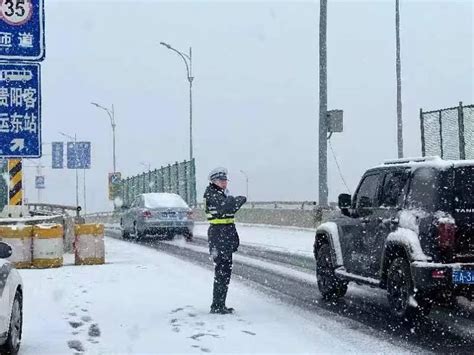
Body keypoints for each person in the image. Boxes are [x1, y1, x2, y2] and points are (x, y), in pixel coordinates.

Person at [204, 167, 247, 314]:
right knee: (222, 272)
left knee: (225, 272)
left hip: (225, 235)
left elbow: (229, 211)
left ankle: (220, 304)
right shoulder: (212, 194)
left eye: (225, 180)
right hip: (218, 236)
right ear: (214, 181)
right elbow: (226, 208)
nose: (224, 183)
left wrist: (234, 202)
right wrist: (236, 201)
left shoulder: (220, 194)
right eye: (221, 180)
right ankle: (217, 306)